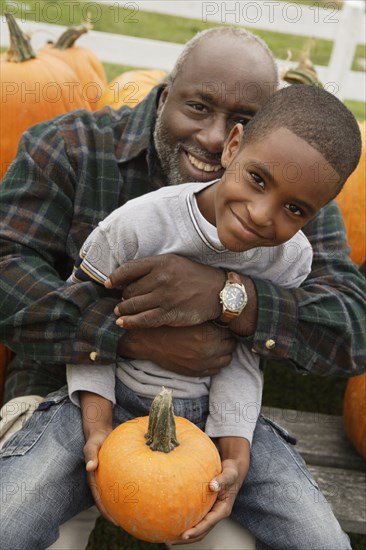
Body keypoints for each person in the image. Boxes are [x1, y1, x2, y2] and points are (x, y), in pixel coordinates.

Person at [0, 26, 364, 549]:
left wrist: (228, 295)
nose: (215, 138)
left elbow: (352, 326)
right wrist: (124, 331)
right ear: (164, 96)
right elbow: (6, 268)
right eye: (198, 107)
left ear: (255, 132)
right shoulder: (69, 149)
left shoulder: (291, 190)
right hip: (71, 393)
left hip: (213, 421)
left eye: (240, 120)